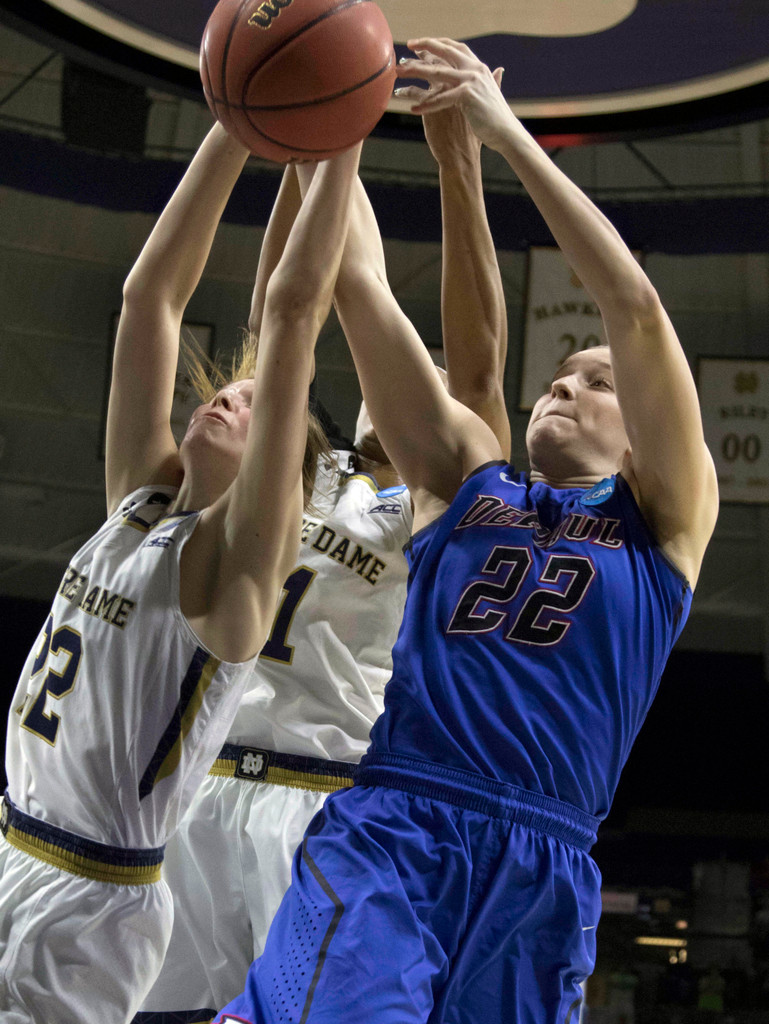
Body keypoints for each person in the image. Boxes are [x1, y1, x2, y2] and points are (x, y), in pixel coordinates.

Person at [214, 39, 718, 1024]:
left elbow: (639, 313)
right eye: (560, 377)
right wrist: (327, 118)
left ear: (639, 436)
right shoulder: (460, 484)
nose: (568, 384)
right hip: (395, 826)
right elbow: (356, 285)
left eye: (596, 380)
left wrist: (498, 135)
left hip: (542, 866)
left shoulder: (663, 520)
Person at [138, 93, 508, 1024]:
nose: (407, 374)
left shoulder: (436, 504)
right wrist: (304, 137)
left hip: (315, 804)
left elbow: (474, 372)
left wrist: (426, 161)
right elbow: (284, 304)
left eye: (418, 370)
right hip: (197, 783)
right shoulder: (300, 469)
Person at [0, 124, 361, 1023]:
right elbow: (149, 298)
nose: (231, 394)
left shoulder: (231, 581)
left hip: (87, 898)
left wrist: (340, 138)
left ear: (281, 479)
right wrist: (234, 127)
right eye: (226, 391)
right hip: (13, 843)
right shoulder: (137, 504)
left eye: (253, 405)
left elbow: (291, 316)